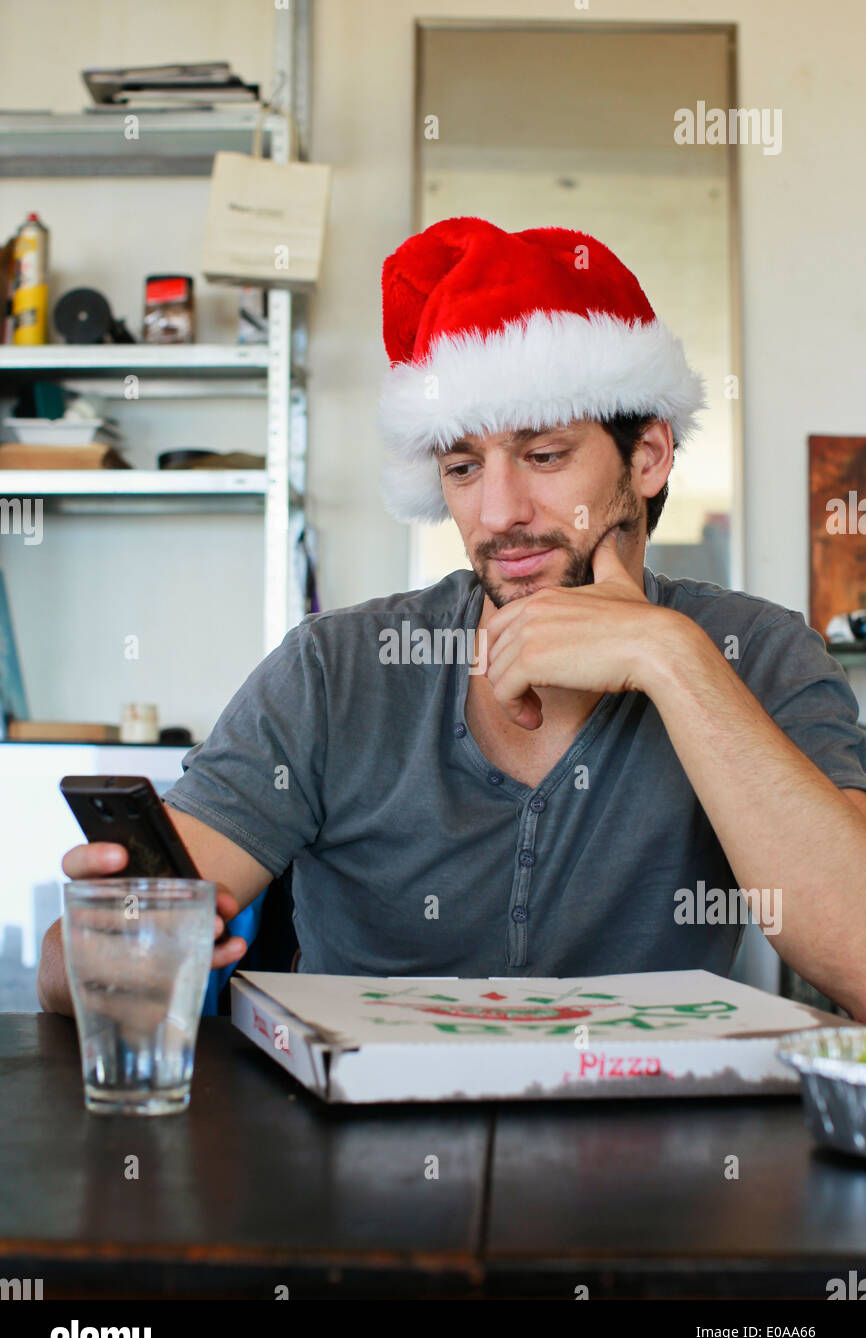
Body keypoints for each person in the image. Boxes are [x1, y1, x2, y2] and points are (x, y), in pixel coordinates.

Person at [38, 216, 866, 1019]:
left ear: (646, 456)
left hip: (646, 1146)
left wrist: (671, 658)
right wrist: (104, 947)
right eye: (463, 466)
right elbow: (73, 971)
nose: (499, 512)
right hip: (349, 1152)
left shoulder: (756, 653)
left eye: (544, 455)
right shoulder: (339, 670)